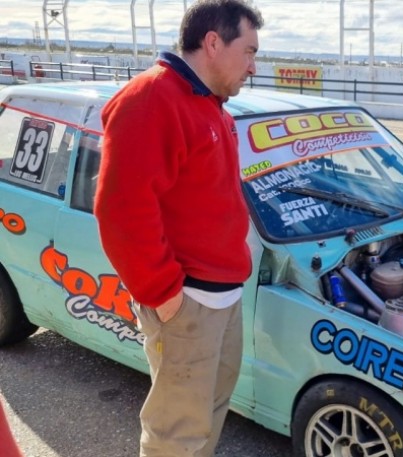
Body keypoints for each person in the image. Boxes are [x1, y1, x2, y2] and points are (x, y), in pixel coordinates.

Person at [94, 0, 262, 455]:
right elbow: (120, 211)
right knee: (176, 436)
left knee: (207, 418)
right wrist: (165, 296)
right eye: (248, 51)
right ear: (213, 42)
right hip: (187, 303)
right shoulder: (152, 98)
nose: (253, 66)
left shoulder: (212, 108)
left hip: (222, 298)